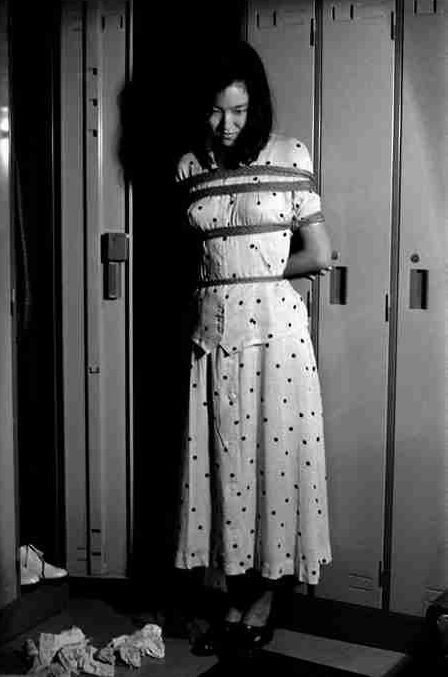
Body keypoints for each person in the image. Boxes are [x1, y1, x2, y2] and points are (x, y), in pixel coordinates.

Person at [174, 40, 332, 656]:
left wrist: (259, 275)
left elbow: (319, 254)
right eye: (216, 110)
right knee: (225, 464)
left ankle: (264, 598)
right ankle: (232, 595)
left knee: (275, 464)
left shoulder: (290, 154)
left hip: (276, 335)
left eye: (238, 111)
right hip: (213, 336)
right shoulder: (190, 166)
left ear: (255, 106)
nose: (226, 124)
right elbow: (201, 256)